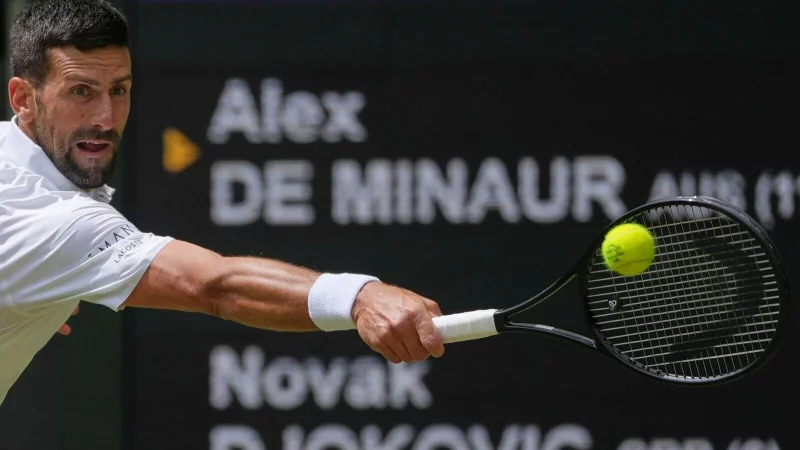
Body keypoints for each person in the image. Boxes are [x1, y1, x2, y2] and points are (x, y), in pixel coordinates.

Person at [0, 0, 445, 407]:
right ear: (23, 99)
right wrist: (359, 297)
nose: (106, 118)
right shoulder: (62, 225)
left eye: (119, 90)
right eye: (81, 91)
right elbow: (216, 285)